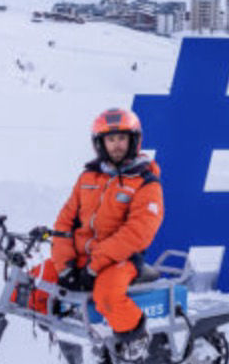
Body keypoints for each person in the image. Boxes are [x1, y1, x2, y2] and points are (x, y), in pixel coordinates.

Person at [41, 107, 166, 341]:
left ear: (133, 141)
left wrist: (94, 266)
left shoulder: (146, 183)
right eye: (111, 139)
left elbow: (137, 233)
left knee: (107, 295)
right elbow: (64, 223)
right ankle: (67, 338)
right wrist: (64, 266)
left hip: (120, 261)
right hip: (80, 259)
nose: (116, 145)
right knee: (37, 281)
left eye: (122, 138)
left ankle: (136, 340)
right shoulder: (88, 177)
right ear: (100, 143)